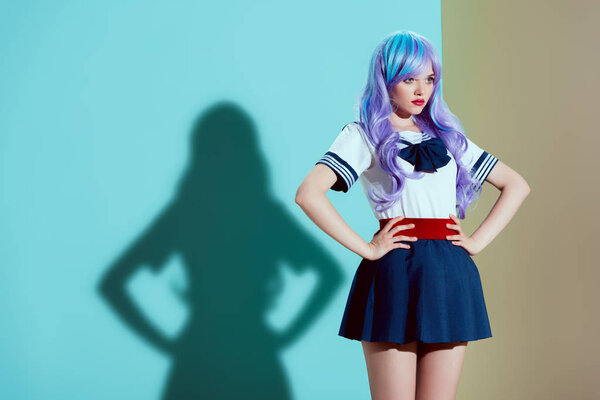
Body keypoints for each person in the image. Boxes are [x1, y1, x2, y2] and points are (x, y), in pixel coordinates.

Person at [295, 30, 530, 400]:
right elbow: (308, 194)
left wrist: (476, 242)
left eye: (430, 79)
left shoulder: (448, 137)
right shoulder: (364, 135)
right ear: (386, 80)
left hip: (450, 273)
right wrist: (367, 248)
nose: (422, 90)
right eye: (409, 79)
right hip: (395, 270)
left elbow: (517, 185)